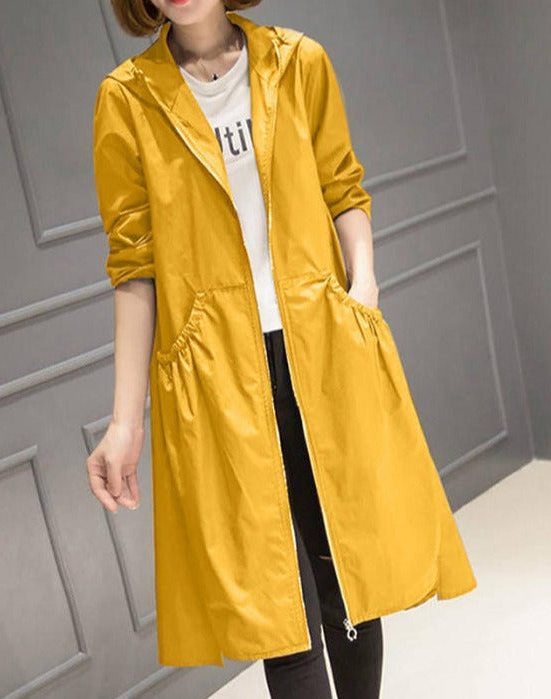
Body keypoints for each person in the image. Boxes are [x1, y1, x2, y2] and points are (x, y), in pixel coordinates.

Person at [88, 0, 477, 696]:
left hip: (319, 348)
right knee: (276, 596)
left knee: (344, 566)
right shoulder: (127, 99)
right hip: (217, 375)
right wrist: (124, 421)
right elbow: (133, 266)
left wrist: (363, 288)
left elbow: (342, 187)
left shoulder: (298, 62)